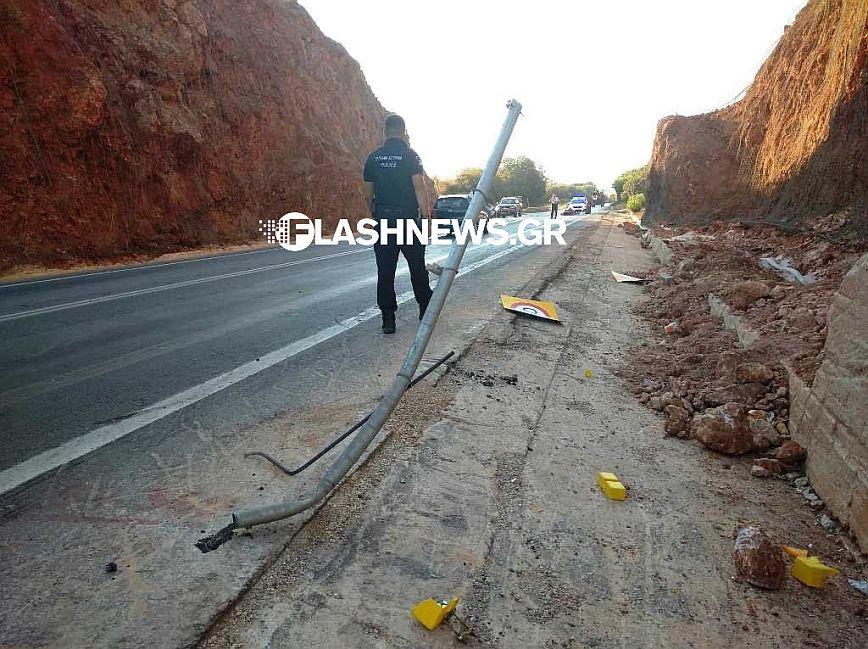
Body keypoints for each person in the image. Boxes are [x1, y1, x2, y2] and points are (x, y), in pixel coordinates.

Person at [363, 114, 435, 334]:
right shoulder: (410, 156)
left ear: (385, 131)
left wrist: (375, 213)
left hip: (385, 221)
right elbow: (419, 188)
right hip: (408, 221)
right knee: (417, 267)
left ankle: (388, 319)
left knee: (385, 271)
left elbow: (367, 194)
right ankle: (425, 309)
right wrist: (427, 218)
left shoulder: (373, 158)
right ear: (403, 131)